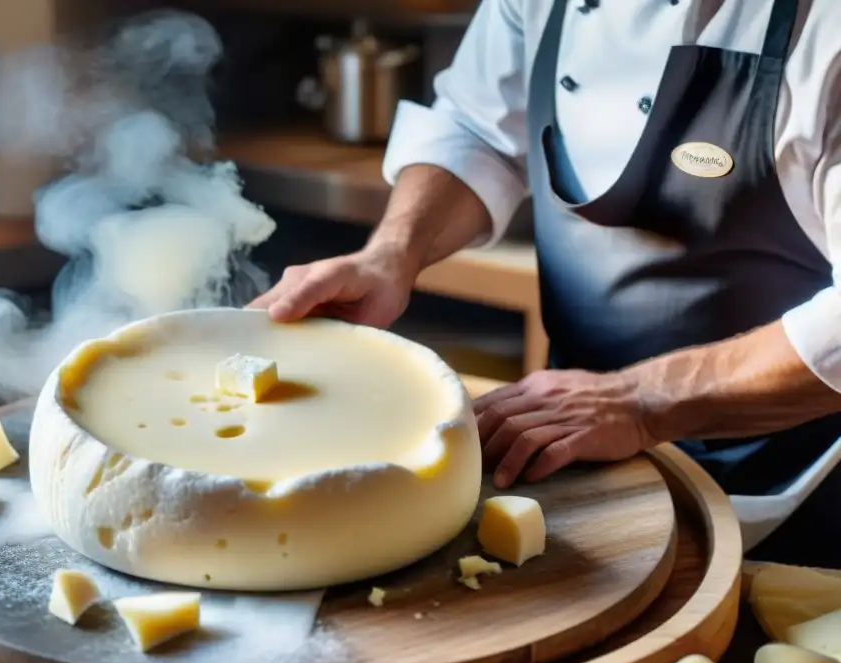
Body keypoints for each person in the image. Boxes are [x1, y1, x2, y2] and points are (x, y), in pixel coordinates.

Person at [249, 0, 841, 568]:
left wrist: (642, 400)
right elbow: (478, 127)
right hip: (579, 443)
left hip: (793, 489)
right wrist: (392, 254)